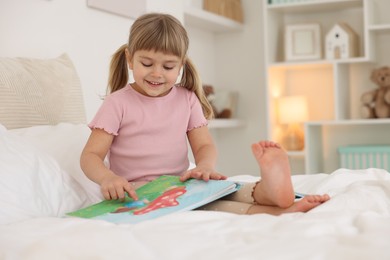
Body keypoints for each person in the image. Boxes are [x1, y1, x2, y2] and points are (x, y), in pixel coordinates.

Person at [80, 12, 329, 216]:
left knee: (222, 189)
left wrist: (205, 166)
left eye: (168, 67)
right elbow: (91, 155)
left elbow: (204, 145)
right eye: (147, 64)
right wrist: (108, 178)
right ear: (130, 59)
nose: (157, 73)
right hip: (138, 189)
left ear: (181, 66)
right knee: (207, 205)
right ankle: (279, 210)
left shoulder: (187, 99)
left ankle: (269, 191)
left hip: (181, 182)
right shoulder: (117, 103)